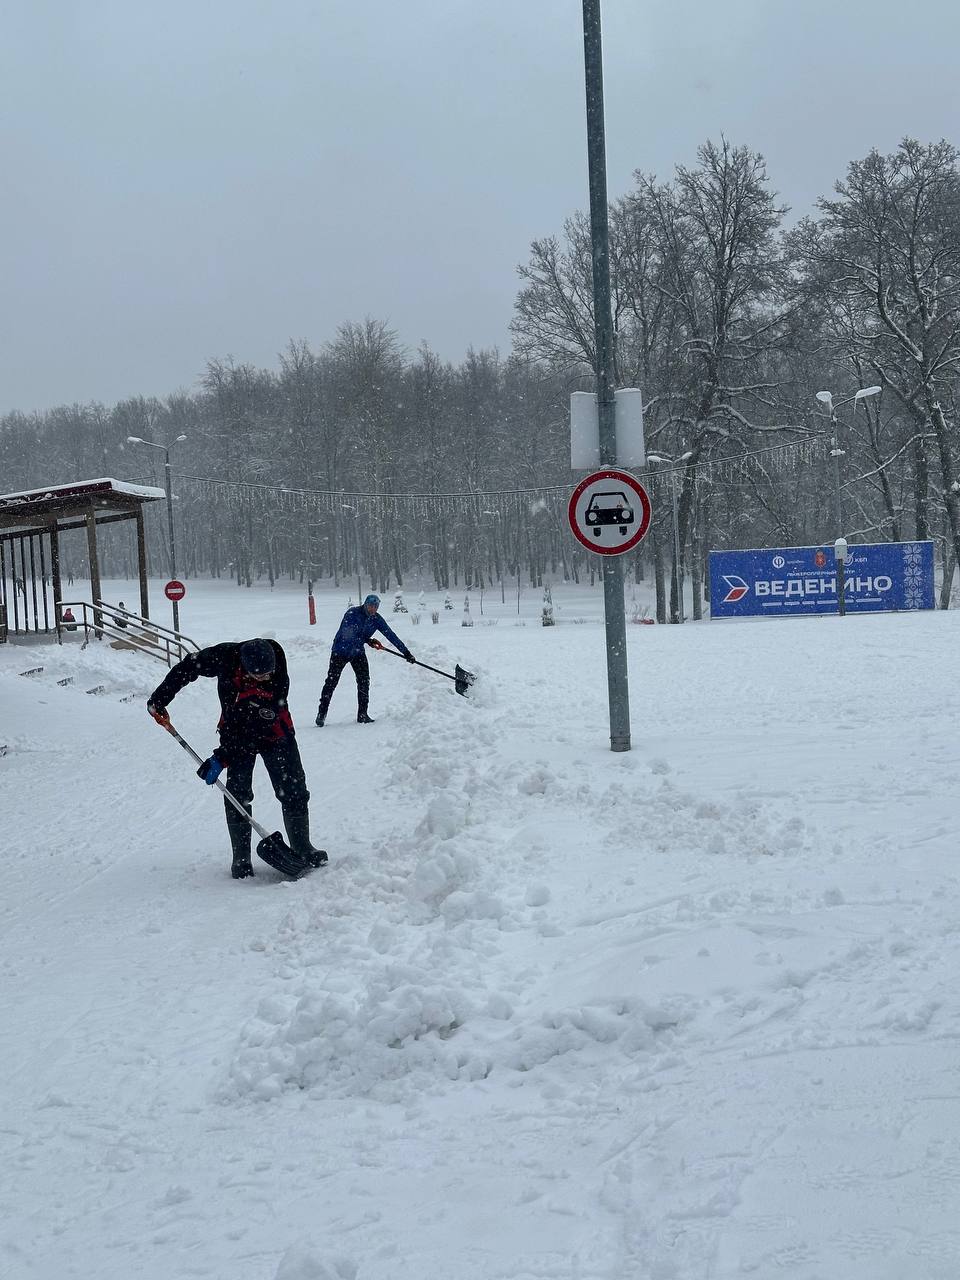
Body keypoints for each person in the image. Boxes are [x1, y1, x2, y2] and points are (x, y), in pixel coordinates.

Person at [146, 637, 326, 879]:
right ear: (245, 665)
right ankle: (240, 858)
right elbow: (188, 667)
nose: (265, 678)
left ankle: (302, 846)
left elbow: (260, 726)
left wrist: (221, 757)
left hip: (274, 728)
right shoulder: (225, 657)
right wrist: (160, 698)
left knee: (293, 787)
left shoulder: (277, 667)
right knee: (237, 793)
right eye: (259, 675)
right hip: (234, 728)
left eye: (268, 673)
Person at [315, 594, 415, 726]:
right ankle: (322, 713)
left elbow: (391, 635)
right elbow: (348, 634)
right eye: (371, 605)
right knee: (332, 682)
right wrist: (367, 640)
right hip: (341, 650)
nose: (373, 609)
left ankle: (362, 714)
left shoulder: (376, 619)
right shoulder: (352, 613)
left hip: (357, 652)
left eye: (376, 606)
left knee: (364, 681)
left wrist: (406, 653)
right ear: (365, 604)